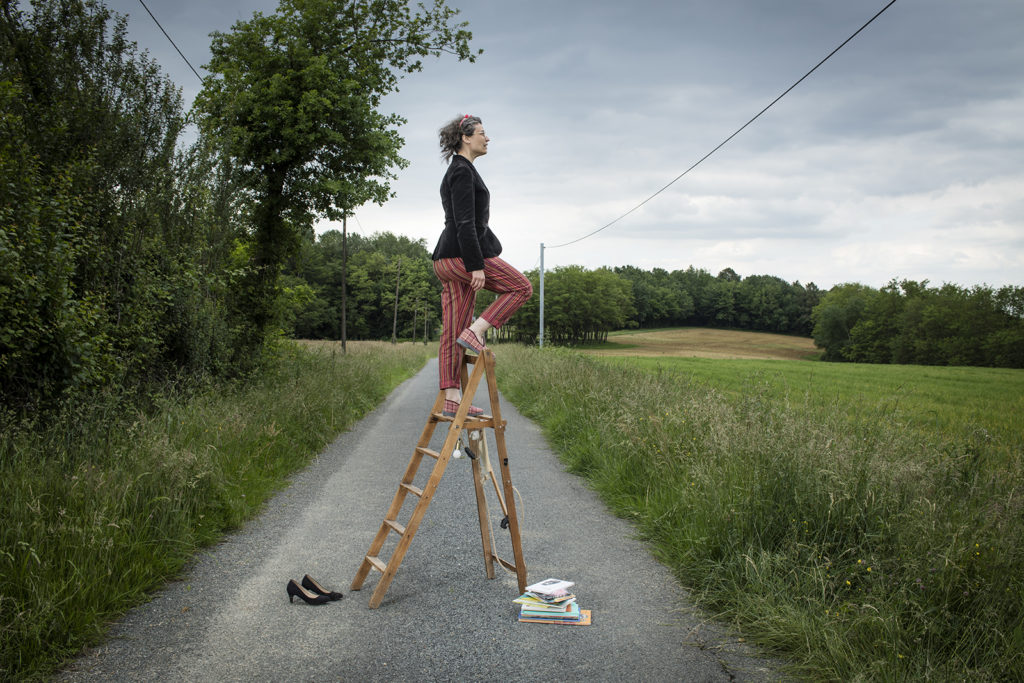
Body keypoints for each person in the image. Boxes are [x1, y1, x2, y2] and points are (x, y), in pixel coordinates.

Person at [431, 114, 532, 417]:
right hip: (462, 257)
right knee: (521, 287)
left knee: (452, 331)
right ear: (465, 137)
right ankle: (477, 330)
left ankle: (451, 396)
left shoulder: (458, 170)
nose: (487, 139)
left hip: (445, 259)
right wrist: (476, 265)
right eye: (482, 133)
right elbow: (465, 224)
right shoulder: (462, 172)